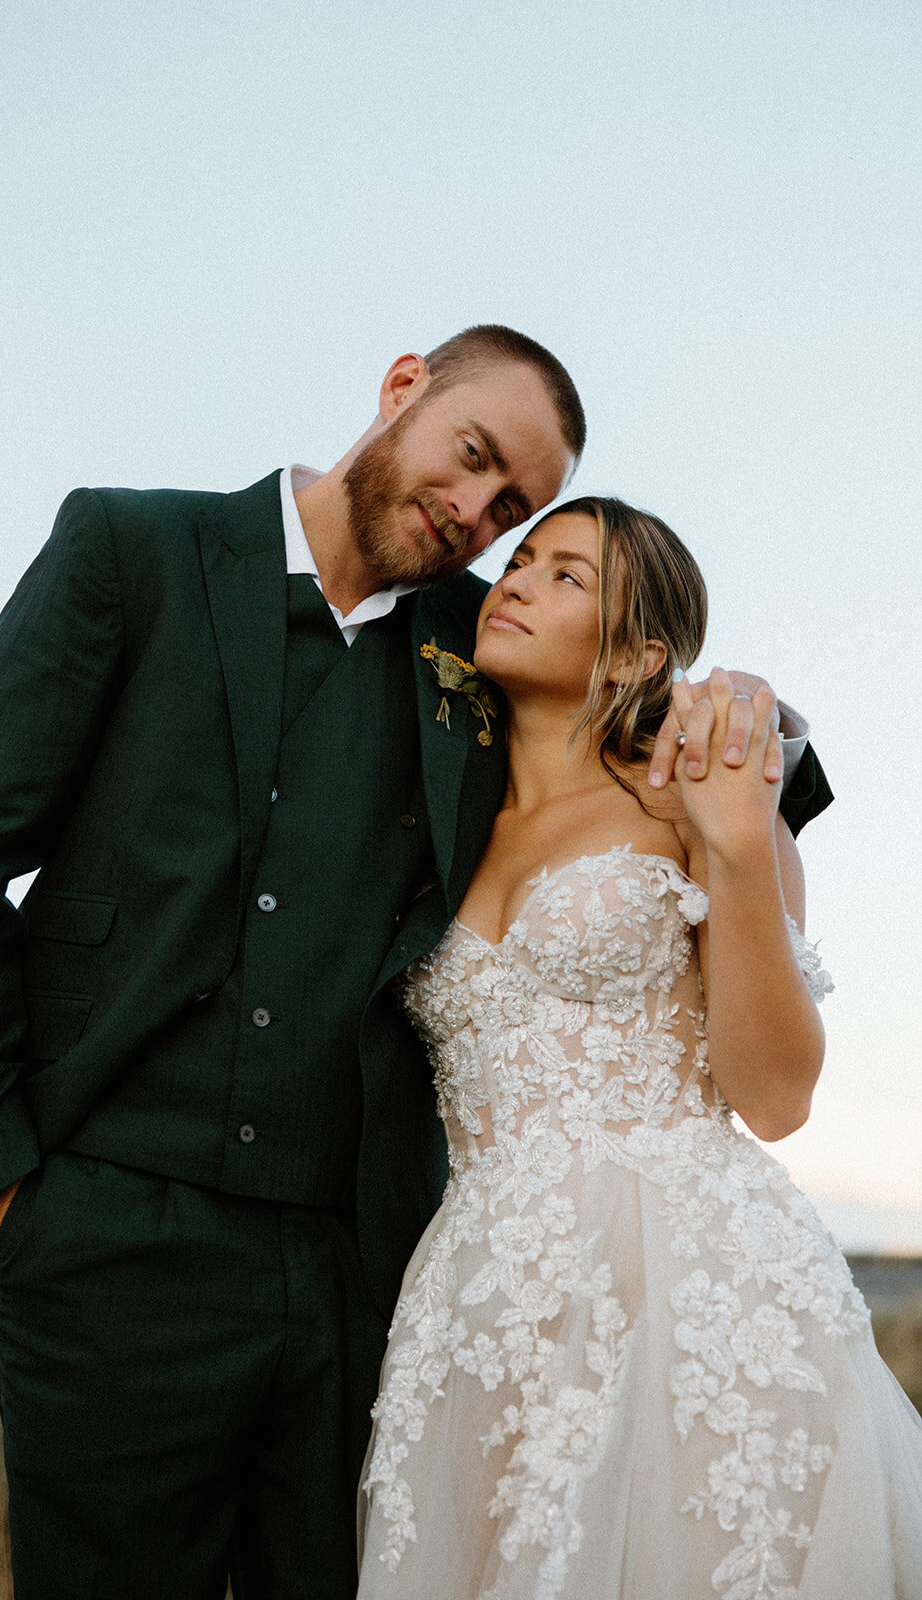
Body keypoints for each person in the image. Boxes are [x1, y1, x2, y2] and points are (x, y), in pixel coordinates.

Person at [0, 327, 829, 1600]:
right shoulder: (133, 552)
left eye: (513, 509)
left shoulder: (478, 645)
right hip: (106, 1233)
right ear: (401, 391)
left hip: (361, 1271)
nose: (473, 516)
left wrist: (758, 711)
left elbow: (654, 712)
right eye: (472, 459)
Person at [356, 498, 922, 1599]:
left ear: (636, 652)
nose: (515, 581)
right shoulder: (437, 831)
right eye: (518, 559)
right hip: (478, 1301)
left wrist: (735, 845)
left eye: (565, 575)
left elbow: (775, 1095)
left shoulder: (693, 804)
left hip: (687, 1285)